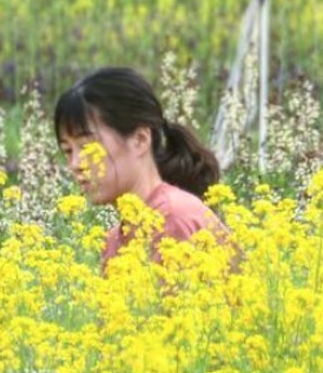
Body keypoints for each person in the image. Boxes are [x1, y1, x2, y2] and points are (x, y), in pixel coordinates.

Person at [54, 66, 225, 269]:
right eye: (67, 151)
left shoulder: (172, 218)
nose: (75, 164)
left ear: (140, 140)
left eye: (87, 147)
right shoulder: (114, 242)